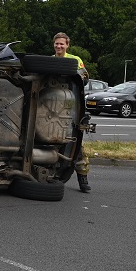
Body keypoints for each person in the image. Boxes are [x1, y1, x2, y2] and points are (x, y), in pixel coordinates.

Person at [52, 32, 91, 193]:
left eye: (62, 44)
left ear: (67, 45)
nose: (59, 46)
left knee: (76, 146)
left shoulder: (75, 60)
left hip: (71, 107)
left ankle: (83, 178)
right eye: (56, 43)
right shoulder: (49, 61)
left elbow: (84, 78)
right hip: (52, 107)